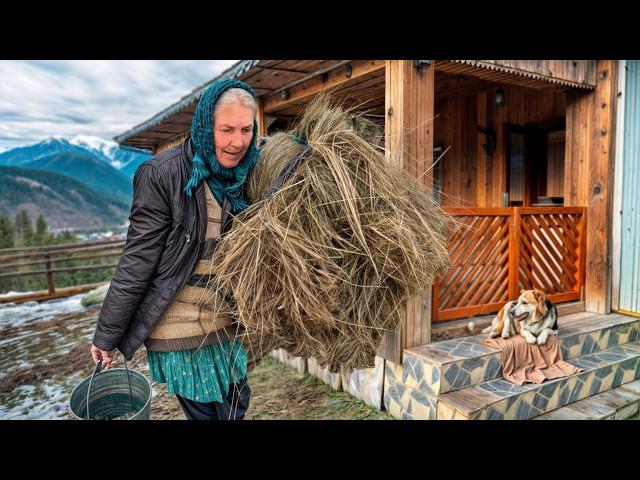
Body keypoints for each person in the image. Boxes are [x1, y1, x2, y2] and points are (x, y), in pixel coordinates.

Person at [90, 79, 260, 420]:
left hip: (226, 318)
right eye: (226, 129)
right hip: (178, 324)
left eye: (246, 129)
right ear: (204, 125)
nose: (237, 141)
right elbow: (137, 261)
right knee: (212, 413)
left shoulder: (249, 172)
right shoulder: (162, 174)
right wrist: (107, 335)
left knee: (235, 407)